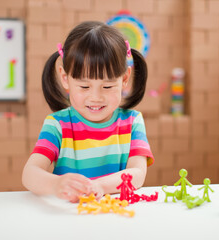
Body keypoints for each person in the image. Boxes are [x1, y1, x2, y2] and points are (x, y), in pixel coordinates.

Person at [22, 21, 154, 203]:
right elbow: (30, 173)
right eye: (84, 86)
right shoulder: (57, 125)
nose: (96, 97)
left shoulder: (132, 122)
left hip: (115, 217)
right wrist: (56, 184)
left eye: (107, 86)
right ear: (65, 78)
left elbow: (137, 173)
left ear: (124, 79)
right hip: (70, 217)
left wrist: (99, 186)